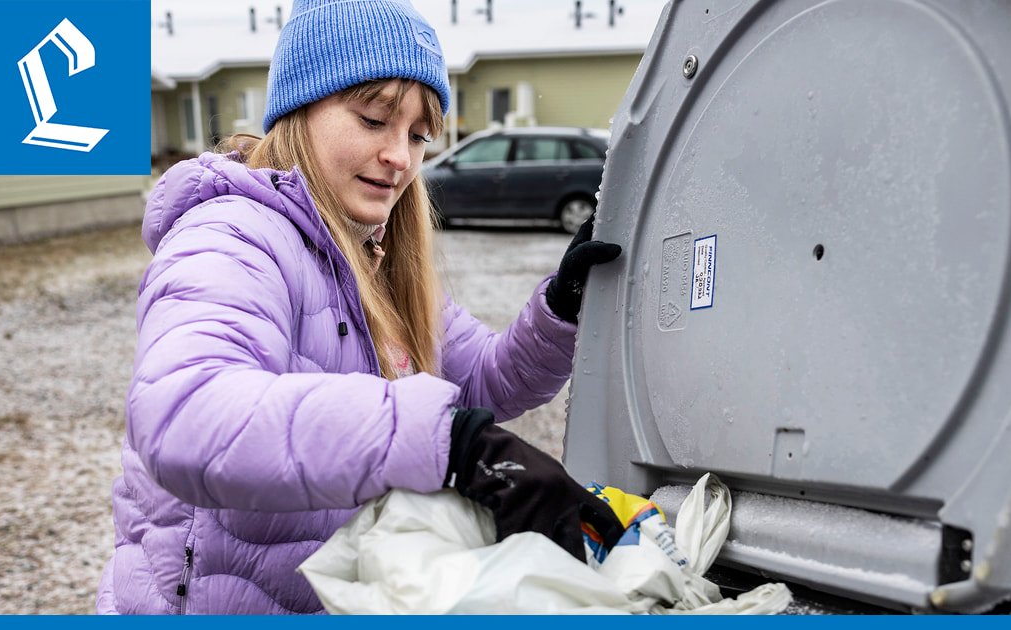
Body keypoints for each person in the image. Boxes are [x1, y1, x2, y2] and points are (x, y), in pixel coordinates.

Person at [96, 0, 625, 615]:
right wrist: (452, 443)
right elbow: (185, 413)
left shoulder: (373, 257)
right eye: (375, 120)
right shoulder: (232, 237)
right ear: (300, 110)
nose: (401, 156)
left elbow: (480, 379)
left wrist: (561, 308)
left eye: (418, 136)